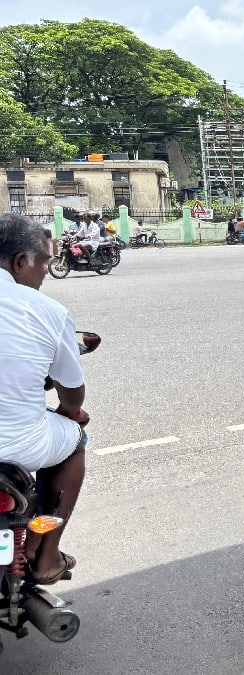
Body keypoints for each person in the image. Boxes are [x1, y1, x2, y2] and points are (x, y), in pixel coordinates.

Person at [0, 214, 87, 585]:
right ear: (21, 262)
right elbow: (72, 392)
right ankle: (45, 554)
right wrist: (71, 414)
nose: (46, 273)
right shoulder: (47, 311)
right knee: (75, 440)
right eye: (45, 263)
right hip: (20, 446)